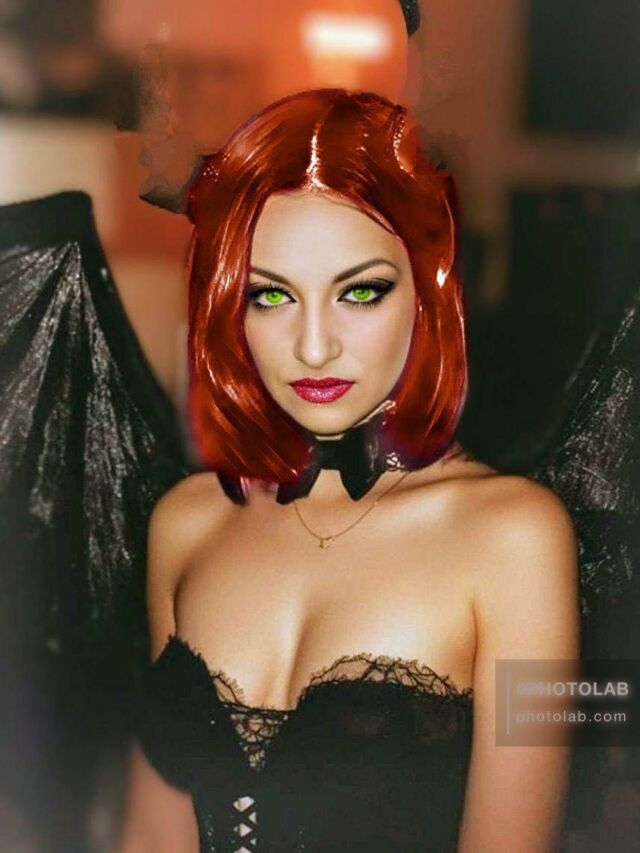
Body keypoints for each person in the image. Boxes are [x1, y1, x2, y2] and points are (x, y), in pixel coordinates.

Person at [120, 89, 580, 852]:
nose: (312, 347)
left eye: (359, 291)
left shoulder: (516, 537)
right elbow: (150, 835)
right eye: (271, 295)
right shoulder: (185, 522)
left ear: (429, 288)